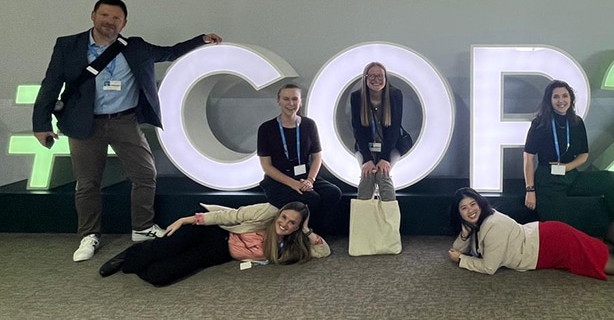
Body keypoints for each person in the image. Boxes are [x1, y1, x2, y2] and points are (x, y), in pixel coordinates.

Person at [31, 0, 222, 262]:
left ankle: (142, 228)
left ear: (124, 23)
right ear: (93, 15)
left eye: (116, 18)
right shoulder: (69, 45)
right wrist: (40, 124)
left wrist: (200, 40)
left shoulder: (136, 47)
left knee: (145, 174)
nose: (109, 22)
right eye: (104, 15)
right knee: (87, 183)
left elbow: (170, 52)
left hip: (125, 121)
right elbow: (50, 84)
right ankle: (89, 235)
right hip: (84, 123)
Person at [448, 187, 614, 280]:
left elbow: (489, 267)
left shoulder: (493, 225)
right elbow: (461, 245)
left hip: (550, 243)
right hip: (543, 240)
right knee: (606, 249)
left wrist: (462, 261)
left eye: (472, 204)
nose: (470, 210)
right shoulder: (479, 224)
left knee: (612, 265)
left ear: (480, 203)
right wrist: (466, 230)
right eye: (464, 208)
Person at [523, 80, 614, 231]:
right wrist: (530, 191)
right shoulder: (540, 123)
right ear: (549, 100)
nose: (561, 100)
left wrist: (568, 167)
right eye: (556, 97)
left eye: (565, 96)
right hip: (548, 180)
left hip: (571, 175)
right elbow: (528, 158)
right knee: (561, 231)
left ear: (571, 98)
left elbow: (584, 154)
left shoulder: (576, 122)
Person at [98, 201, 329, 287]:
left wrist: (308, 231)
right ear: (279, 214)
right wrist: (187, 220)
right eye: (284, 217)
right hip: (212, 229)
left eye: (293, 223)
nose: (285, 224)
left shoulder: (291, 245)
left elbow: (323, 251)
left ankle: (144, 254)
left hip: (219, 251)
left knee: (160, 276)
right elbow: (229, 217)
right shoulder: (266, 212)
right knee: (164, 248)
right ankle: (130, 255)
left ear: (298, 227)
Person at [257, 84, 343, 236]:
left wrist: (310, 180)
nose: (291, 103)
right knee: (312, 198)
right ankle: (306, 234)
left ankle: (316, 231)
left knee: (333, 192)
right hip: (278, 180)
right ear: (278, 101)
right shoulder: (266, 128)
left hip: (304, 176)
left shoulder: (309, 125)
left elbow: (317, 157)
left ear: (300, 101)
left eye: (294, 99)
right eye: (286, 99)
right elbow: (267, 167)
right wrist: (293, 183)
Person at [350, 62, 403, 201]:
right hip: (366, 147)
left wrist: (385, 158)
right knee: (367, 175)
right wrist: (367, 159)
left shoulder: (395, 95)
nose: (376, 80)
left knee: (382, 174)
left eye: (380, 76)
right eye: (372, 76)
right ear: (365, 78)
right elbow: (358, 131)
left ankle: (390, 221)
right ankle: (363, 219)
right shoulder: (357, 97)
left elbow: (394, 129)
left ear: (385, 78)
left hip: (391, 146)